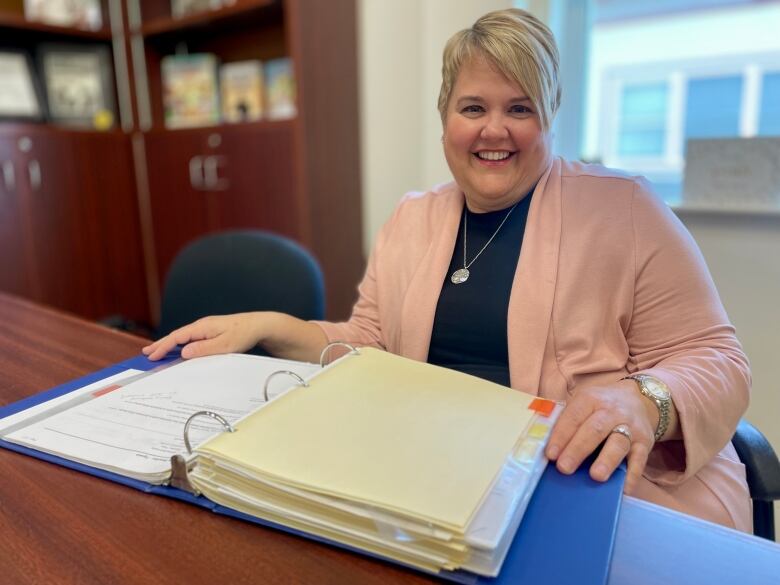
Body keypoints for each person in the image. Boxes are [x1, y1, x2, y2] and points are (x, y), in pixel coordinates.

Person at [143, 9, 751, 532]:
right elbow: (370, 346)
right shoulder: (414, 218)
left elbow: (718, 360)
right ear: (445, 119)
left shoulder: (625, 206)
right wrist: (269, 325)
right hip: (437, 486)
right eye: (473, 107)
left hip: (591, 488)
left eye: (520, 107)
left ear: (550, 116)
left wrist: (645, 401)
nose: (494, 129)